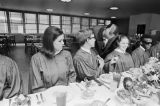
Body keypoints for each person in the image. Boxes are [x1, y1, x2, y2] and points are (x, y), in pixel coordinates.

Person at [29, 26, 76, 93]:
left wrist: (69, 89)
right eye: (60, 41)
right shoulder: (36, 59)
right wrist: (51, 94)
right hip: (47, 97)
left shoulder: (67, 55)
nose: (63, 43)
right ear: (50, 42)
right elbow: (36, 86)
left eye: (63, 40)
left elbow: (72, 74)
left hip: (66, 94)